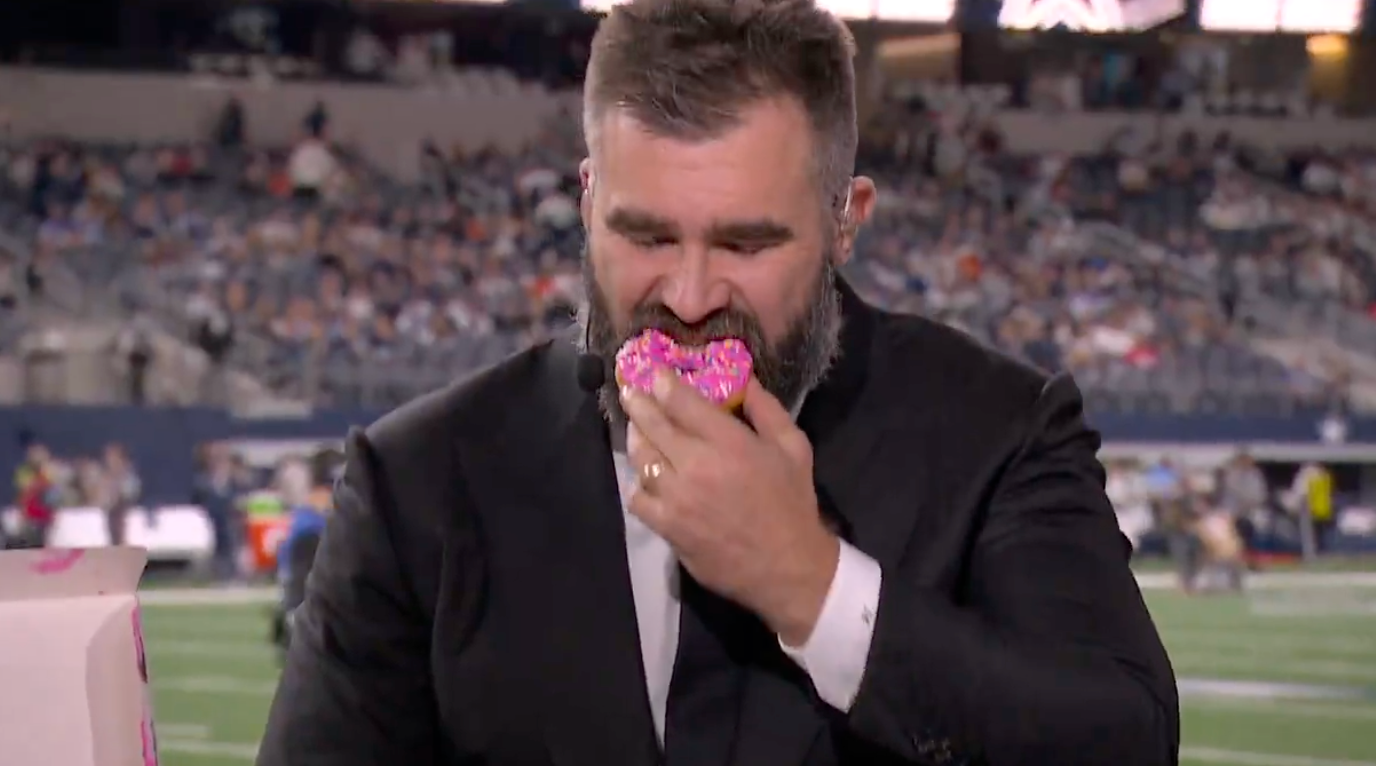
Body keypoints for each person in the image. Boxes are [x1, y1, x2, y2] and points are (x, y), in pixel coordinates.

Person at [257, 1, 1178, 764]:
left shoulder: (998, 434)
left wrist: (813, 585)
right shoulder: (419, 481)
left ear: (846, 220)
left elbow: (1125, 738)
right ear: (587, 200)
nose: (690, 298)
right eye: (647, 235)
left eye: (746, 243)